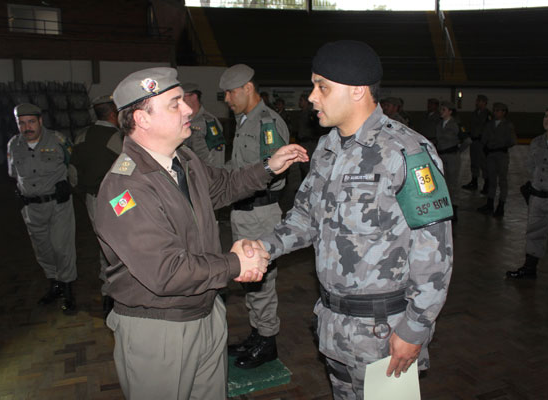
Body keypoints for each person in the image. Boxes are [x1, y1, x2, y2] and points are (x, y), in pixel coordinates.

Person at [245, 40, 453, 399]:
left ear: (357, 90)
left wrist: (415, 329)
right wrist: (263, 247)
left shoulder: (407, 152)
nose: (312, 97)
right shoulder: (327, 148)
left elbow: (435, 252)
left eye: (322, 86)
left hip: (385, 334)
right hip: (333, 325)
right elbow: (305, 218)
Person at [93, 67, 307, 400]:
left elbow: (223, 186)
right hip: (160, 327)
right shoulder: (125, 187)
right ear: (142, 119)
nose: (189, 110)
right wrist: (236, 264)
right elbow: (167, 272)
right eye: (174, 104)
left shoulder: (184, 160)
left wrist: (269, 167)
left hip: (206, 310)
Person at [219, 64, 290, 369]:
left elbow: (275, 172)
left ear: (248, 88)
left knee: (262, 279)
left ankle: (268, 341)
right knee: (249, 279)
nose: (226, 98)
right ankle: (257, 333)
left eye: (230, 92)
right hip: (244, 212)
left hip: (260, 212)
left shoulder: (267, 122)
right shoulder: (245, 120)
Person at [7, 103, 77, 314]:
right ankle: (54, 284)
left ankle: (67, 289)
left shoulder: (58, 140)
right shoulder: (13, 145)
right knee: (43, 250)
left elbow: (73, 164)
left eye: (30, 122)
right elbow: (12, 173)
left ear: (40, 121)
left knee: (61, 248)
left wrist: (69, 185)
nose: (26, 127)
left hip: (58, 205)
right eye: (21, 123)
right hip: (31, 208)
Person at [69, 94, 122, 317]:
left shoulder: (81, 136)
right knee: (123, 241)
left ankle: (107, 292)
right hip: (119, 200)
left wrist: (85, 193)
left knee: (104, 243)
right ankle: (118, 290)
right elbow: (129, 171)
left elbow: (72, 172)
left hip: (93, 198)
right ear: (113, 113)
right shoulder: (118, 138)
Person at [506, 104, 548, 295]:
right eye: (545, 115)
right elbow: (530, 166)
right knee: (533, 232)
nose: (547, 119)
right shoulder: (537, 141)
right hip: (537, 196)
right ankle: (529, 269)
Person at [477, 102, 517, 217]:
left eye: (498, 110)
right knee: (492, 180)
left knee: (502, 181)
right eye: (494, 110)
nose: (495, 113)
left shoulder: (508, 125)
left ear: (504, 112)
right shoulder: (490, 124)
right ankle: (490, 204)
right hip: (490, 155)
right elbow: (484, 138)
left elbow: (513, 141)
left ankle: (501, 206)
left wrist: (501, 145)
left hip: (501, 155)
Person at [182, 82, 226, 168]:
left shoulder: (209, 122)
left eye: (183, 97)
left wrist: (214, 177)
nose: (180, 101)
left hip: (203, 173)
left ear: (194, 97)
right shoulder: (183, 120)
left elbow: (218, 156)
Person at [436, 101, 465, 219]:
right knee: (443, 182)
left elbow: (467, 140)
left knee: (453, 183)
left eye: (444, 109)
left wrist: (456, 151)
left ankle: (454, 208)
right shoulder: (439, 124)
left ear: (450, 111)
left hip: (452, 156)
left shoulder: (456, 124)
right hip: (442, 156)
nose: (441, 112)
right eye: (441, 109)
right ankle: (445, 208)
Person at [462, 94, 492, 191]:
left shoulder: (488, 114)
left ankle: (486, 184)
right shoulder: (474, 113)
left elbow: (489, 129)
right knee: (474, 162)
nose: (477, 103)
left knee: (483, 163)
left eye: (479, 101)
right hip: (474, 141)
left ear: (484, 103)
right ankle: (474, 182)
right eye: (477, 101)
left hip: (482, 142)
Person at [296, 93, 320, 180]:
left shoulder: (311, 114)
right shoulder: (301, 113)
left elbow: (316, 128)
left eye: (301, 100)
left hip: (309, 143)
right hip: (302, 142)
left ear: (306, 102)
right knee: (302, 166)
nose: (299, 102)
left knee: (308, 166)